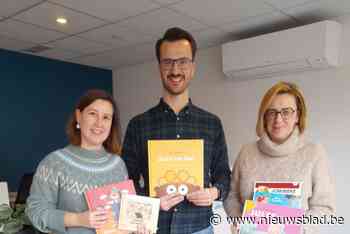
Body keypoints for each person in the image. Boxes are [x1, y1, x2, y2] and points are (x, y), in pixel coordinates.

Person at [122, 27, 231, 234]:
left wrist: (214, 192)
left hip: (200, 227)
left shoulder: (212, 123)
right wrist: (151, 201)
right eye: (168, 62)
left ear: (192, 67)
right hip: (154, 228)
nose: (175, 70)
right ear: (159, 67)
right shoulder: (138, 125)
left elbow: (223, 174)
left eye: (182, 61)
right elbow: (127, 183)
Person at [224, 82, 335, 233]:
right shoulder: (246, 152)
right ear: (264, 116)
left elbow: (324, 207)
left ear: (297, 115)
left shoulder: (314, 153)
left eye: (286, 111)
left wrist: (299, 229)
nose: (278, 119)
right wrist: (238, 222)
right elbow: (232, 197)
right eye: (271, 112)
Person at [26, 89, 128, 234]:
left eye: (106, 117)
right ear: (79, 116)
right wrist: (78, 219)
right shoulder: (54, 163)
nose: (99, 123)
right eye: (93, 114)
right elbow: (35, 212)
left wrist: (136, 226)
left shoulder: (118, 165)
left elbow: (123, 217)